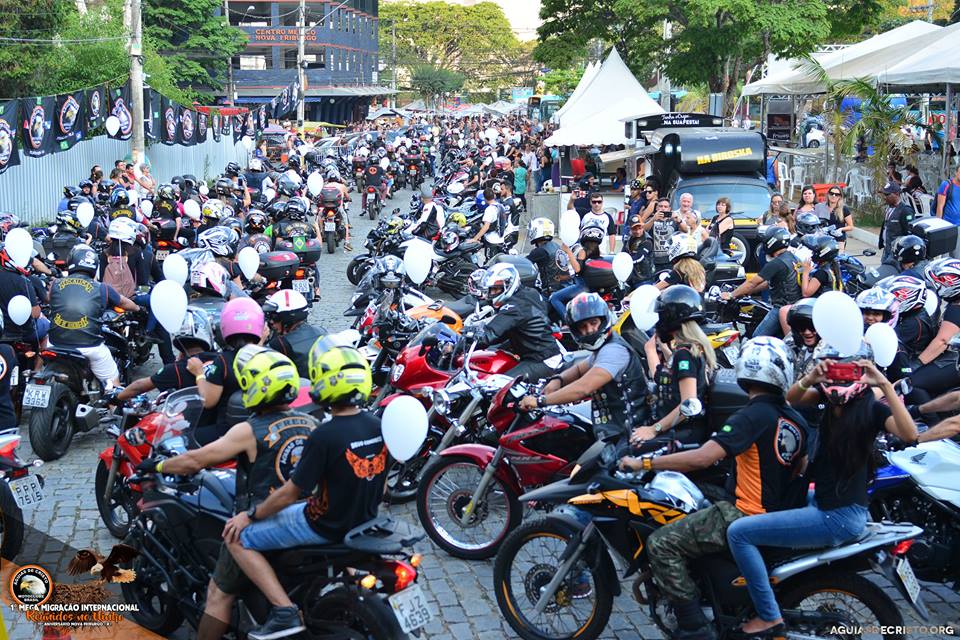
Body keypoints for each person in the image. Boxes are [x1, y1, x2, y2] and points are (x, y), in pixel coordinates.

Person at [621, 336, 810, 640]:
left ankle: (693, 627)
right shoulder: (794, 418)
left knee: (661, 543)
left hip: (743, 514)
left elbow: (703, 458)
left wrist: (643, 464)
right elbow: (800, 466)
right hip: (777, 515)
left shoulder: (751, 415)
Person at [726, 343, 917, 637]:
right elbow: (790, 398)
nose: (836, 379)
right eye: (833, 370)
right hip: (830, 504)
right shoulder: (832, 404)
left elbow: (910, 433)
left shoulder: (871, 410)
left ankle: (768, 616)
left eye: (845, 371)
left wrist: (883, 384)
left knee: (739, 532)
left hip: (837, 516)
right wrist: (812, 376)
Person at [137, 348, 317, 640]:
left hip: (259, 519)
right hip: (303, 518)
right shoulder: (311, 423)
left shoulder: (250, 430)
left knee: (218, 594)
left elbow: (197, 460)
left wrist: (157, 463)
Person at [221, 345, 383, 640]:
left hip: (324, 525)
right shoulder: (377, 425)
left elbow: (292, 492)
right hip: (364, 520)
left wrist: (250, 514)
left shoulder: (325, 434)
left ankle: (283, 611)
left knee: (238, 537)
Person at [518, 292, 649, 438]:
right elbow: (581, 368)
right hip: (613, 424)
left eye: (593, 323)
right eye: (583, 326)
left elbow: (583, 388)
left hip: (629, 432)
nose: (589, 330)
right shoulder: (605, 347)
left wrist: (540, 401)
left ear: (603, 320)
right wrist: (558, 380)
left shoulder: (614, 350)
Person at [47, 244, 140, 387]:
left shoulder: (55, 284)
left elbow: (50, 299)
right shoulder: (102, 288)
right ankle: (114, 407)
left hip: (55, 344)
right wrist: (138, 308)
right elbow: (124, 302)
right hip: (89, 346)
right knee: (113, 388)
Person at [636, 285, 715, 446]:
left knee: (627, 454)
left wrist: (653, 429)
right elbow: (664, 378)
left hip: (683, 432)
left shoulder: (684, 355)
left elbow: (688, 406)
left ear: (669, 317)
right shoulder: (685, 351)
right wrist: (655, 349)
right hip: (679, 429)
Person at [187, 297, 266, 445]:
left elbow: (209, 401)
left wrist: (199, 374)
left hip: (229, 430)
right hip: (263, 426)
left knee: (181, 440)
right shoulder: (269, 356)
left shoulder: (223, 361)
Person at [473, 263, 562, 380]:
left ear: (509, 285)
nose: (492, 294)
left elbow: (489, 334)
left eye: (496, 289)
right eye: (491, 290)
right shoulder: (530, 293)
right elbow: (504, 331)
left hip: (543, 360)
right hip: (540, 352)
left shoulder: (514, 306)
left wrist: (459, 342)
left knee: (497, 387)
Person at [724, 227, 801, 337]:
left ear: (772, 242)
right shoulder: (794, 258)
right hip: (794, 305)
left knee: (757, 337)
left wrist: (731, 294)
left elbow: (752, 282)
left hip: (781, 307)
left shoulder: (776, 263)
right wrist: (744, 291)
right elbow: (768, 283)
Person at [264, 289, 326, 378]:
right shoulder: (321, 331)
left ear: (287, 318)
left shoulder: (280, 343)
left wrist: (261, 342)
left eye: (274, 317)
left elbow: (261, 365)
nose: (271, 321)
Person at [548, 226, 602, 319]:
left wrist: (568, 251)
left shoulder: (583, 252)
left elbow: (578, 270)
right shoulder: (597, 252)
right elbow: (585, 271)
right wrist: (564, 277)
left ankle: (568, 320)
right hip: (591, 285)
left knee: (554, 298)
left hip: (581, 286)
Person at [525, 218, 567, 295]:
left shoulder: (540, 251)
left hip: (551, 290)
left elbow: (523, 263)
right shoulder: (556, 246)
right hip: (563, 286)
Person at [879, 181, 915, 264]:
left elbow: (909, 234)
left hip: (896, 254)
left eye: (887, 195)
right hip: (887, 250)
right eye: (884, 194)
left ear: (896, 194)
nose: (885, 197)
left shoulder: (905, 210)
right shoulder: (889, 208)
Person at [650, 197, 679, 271]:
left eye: (665, 207)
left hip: (671, 260)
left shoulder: (674, 220)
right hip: (655, 260)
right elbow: (643, 230)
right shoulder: (652, 220)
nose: (663, 208)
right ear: (656, 208)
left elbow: (686, 231)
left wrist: (679, 220)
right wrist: (653, 219)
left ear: (669, 209)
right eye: (660, 206)